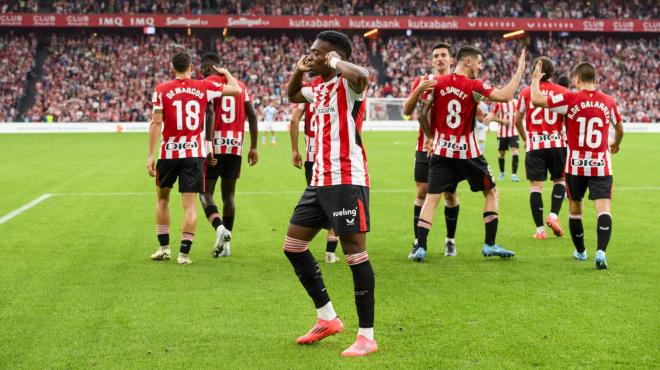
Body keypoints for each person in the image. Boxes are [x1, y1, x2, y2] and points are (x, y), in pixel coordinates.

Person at [286, 30, 376, 357]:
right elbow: (292, 94)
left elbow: (363, 76)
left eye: (315, 52)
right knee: (293, 246)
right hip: (319, 180)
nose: (310, 55)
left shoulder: (346, 86)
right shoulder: (319, 89)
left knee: (354, 253)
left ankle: (367, 335)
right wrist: (300, 68)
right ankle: (327, 317)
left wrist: (336, 62)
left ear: (332, 55)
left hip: (346, 178)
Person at [414, 46, 526, 262]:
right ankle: (490, 244)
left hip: (442, 150)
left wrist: (430, 135)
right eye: (479, 62)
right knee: (491, 192)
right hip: (468, 153)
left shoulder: (438, 82)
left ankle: (421, 247)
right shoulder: (474, 85)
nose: (480, 67)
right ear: (467, 62)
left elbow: (421, 113)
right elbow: (506, 95)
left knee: (431, 199)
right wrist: (520, 69)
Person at [146, 52, 241, 265]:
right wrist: (226, 73)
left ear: (172, 68)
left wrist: (151, 154)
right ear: (191, 66)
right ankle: (184, 255)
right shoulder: (202, 87)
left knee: (162, 199)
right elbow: (236, 90)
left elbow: (156, 123)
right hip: (193, 154)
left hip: (169, 153)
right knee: (189, 205)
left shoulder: (161, 90)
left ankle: (164, 249)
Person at [530, 61, 623, 269]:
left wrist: (536, 79)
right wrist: (616, 143)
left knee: (575, 210)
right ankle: (601, 252)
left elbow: (535, 100)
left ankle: (581, 252)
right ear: (595, 79)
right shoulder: (608, 101)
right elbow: (620, 127)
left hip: (575, 166)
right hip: (601, 164)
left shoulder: (570, 98)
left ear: (577, 79)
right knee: (603, 209)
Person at [401, 43, 461, 259]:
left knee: (450, 195)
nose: (439, 59)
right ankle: (418, 241)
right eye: (435, 56)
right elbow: (407, 111)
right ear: (431, 61)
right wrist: (419, 89)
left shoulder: (458, 83)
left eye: (444, 55)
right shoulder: (422, 81)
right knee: (421, 192)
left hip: (450, 148)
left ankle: (450, 240)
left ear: (451, 60)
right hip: (424, 147)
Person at [198, 52, 259, 258]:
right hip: (236, 145)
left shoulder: (207, 83)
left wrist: (208, 145)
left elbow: (209, 113)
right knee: (229, 196)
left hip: (215, 143)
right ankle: (226, 246)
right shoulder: (240, 85)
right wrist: (254, 146)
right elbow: (252, 116)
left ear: (207, 68)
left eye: (202, 69)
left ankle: (220, 228)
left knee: (205, 192)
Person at [514, 57, 570, 240]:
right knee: (559, 181)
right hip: (556, 143)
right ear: (552, 72)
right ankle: (553, 216)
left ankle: (540, 231)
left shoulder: (526, 92)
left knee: (535, 187)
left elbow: (517, 120)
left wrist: (525, 138)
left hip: (535, 144)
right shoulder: (563, 92)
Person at [289, 101, 339, 263]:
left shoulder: (306, 94)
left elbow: (294, 120)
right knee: (335, 204)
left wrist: (295, 149)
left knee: (316, 202)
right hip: (331, 158)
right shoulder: (333, 91)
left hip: (312, 158)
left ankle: (300, 243)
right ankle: (330, 253)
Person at [491, 98, 521, 182]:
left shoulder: (516, 102)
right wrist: (502, 120)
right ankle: (502, 173)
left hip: (514, 133)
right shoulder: (499, 103)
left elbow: (521, 114)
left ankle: (514, 175)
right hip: (502, 133)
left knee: (515, 152)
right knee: (501, 154)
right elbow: (492, 116)